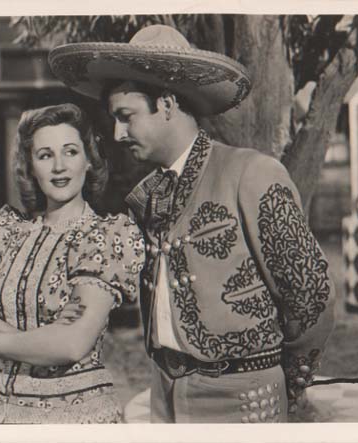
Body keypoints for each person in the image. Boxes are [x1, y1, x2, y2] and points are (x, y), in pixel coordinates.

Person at [48, 25, 336, 423]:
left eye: (126, 117)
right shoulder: (148, 195)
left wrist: (287, 379)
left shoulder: (251, 173)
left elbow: (311, 294)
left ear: (166, 104)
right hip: (164, 392)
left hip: (243, 397)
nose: (118, 133)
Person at [0, 103, 145, 424]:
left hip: (75, 419)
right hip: (0, 416)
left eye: (70, 152)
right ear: (31, 167)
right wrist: (48, 337)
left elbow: (72, 345)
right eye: (45, 155)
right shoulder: (10, 232)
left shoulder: (104, 235)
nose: (59, 166)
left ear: (89, 160)